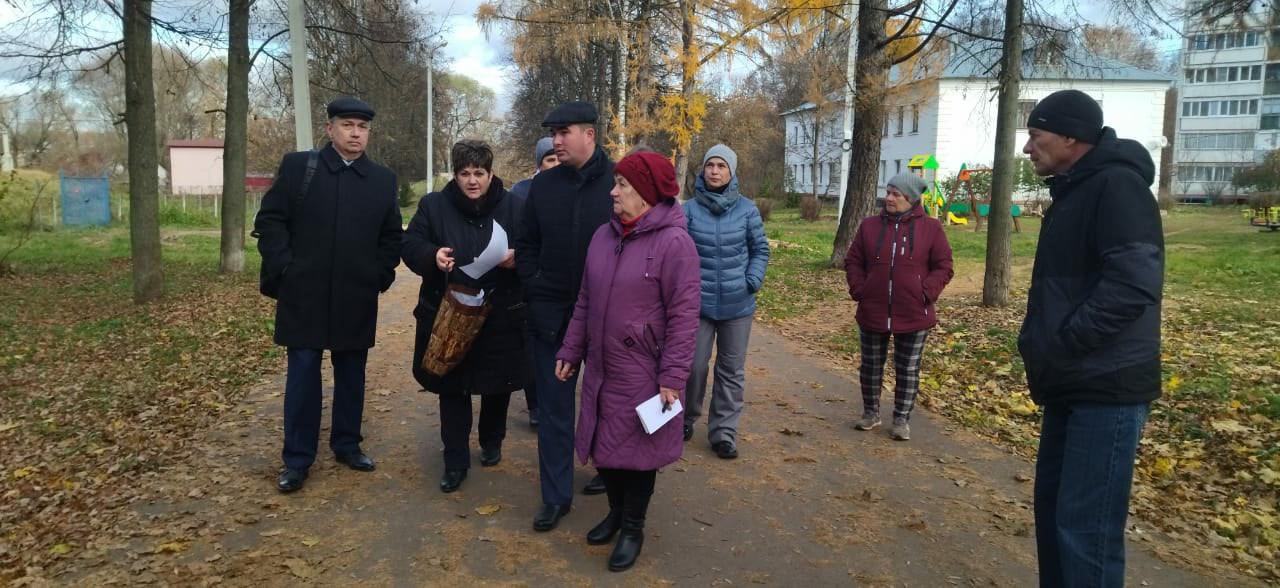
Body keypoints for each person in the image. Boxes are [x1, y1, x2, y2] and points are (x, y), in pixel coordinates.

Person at [1018, 89, 1164, 587]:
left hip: (1107, 386)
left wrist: (1063, 343)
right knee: (1056, 517)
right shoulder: (1074, 190)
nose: (1027, 147)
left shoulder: (1117, 187)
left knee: (1086, 532)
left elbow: (1133, 285)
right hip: (1071, 381)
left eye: (1035, 135)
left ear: (1070, 137)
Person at [555, 150, 700, 572]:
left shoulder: (675, 244)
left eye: (623, 186)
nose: (613, 191)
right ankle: (616, 514)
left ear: (647, 195)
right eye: (616, 183)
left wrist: (672, 376)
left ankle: (633, 526)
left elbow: (684, 316)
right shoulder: (604, 236)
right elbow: (585, 300)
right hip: (603, 366)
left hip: (645, 371)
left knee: (638, 455)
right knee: (606, 448)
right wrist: (570, 349)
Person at [254, 96, 403, 493]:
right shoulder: (299, 168)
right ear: (330, 129)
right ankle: (297, 459)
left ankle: (347, 444)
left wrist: (378, 275)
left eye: (363, 127)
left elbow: (391, 237)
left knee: (352, 374)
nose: (356, 133)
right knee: (303, 375)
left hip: (355, 294)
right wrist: (285, 267)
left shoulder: (382, 180)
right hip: (303, 294)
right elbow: (270, 220)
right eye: (348, 125)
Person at [401, 140, 526, 493]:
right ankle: (455, 460)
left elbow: (535, 248)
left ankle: (491, 440)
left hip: (499, 312)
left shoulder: (514, 207)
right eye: (464, 174)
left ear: (491, 173)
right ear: (455, 175)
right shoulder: (433, 205)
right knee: (452, 388)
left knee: (496, 384)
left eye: (479, 173)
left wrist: (518, 258)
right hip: (448, 312)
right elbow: (410, 245)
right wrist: (432, 256)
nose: (472, 181)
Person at [515, 101, 614, 531]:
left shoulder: (618, 183)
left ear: (589, 134)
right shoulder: (544, 187)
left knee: (611, 402)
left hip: (607, 316)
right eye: (553, 133)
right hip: (551, 314)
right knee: (554, 407)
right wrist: (536, 286)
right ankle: (555, 495)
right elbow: (527, 242)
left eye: (564, 131)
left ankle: (610, 472)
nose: (556, 140)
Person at [844, 172, 953, 441]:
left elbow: (944, 266)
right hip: (873, 308)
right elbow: (853, 260)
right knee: (870, 366)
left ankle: (901, 419)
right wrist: (861, 289)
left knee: (908, 368)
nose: (889, 198)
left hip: (914, 311)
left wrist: (925, 293)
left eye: (896, 194)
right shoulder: (869, 226)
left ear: (911, 198)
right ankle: (870, 413)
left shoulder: (931, 228)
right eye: (888, 192)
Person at [682, 144, 770, 459]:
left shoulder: (747, 209)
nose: (715, 171)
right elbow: (677, 253)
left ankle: (724, 433)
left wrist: (752, 280)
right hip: (698, 305)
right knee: (692, 366)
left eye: (721, 166)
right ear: (703, 170)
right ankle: (685, 417)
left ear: (731, 171)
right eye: (710, 165)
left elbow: (760, 249)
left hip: (738, 306)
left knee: (731, 370)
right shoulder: (688, 210)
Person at [509, 135, 559, 428]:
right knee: (532, 347)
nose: (554, 165)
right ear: (539, 163)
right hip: (530, 280)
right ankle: (535, 405)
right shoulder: (522, 192)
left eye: (557, 159)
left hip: (560, 280)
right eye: (549, 160)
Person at [509, 136, 558, 201]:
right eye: (551, 160)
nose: (557, 164)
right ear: (540, 165)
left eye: (561, 160)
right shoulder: (521, 190)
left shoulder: (573, 188)